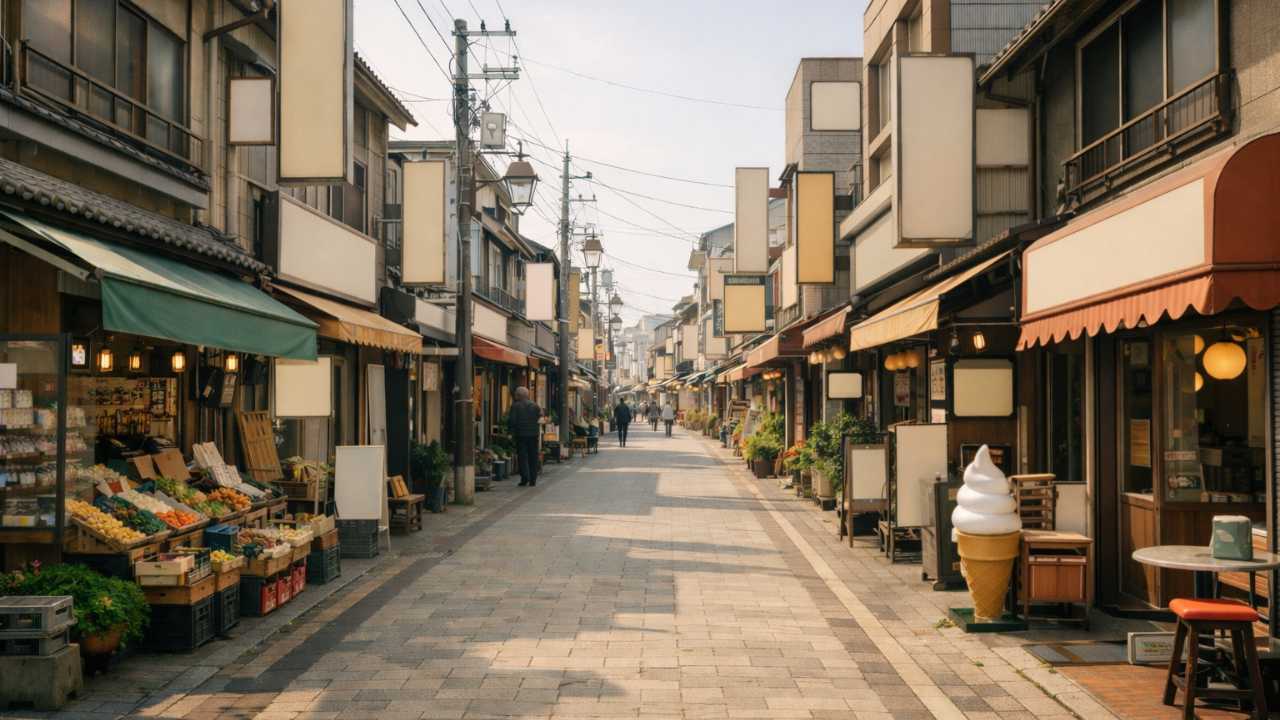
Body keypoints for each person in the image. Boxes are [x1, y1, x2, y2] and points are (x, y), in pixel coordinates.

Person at [506, 386, 542, 487]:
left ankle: (525, 477)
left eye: (516, 395)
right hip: (533, 434)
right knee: (533, 456)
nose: (515, 396)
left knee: (522, 456)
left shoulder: (515, 406)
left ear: (518, 396)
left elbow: (512, 421)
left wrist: (510, 432)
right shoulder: (535, 406)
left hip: (521, 435)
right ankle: (533, 479)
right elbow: (540, 418)